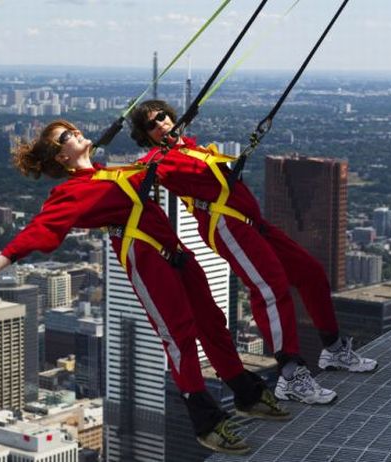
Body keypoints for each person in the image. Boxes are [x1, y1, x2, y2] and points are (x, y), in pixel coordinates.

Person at [0, 120, 290, 455]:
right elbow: (41, 227)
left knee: (212, 323)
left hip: (178, 256)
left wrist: (176, 139)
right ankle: (206, 422)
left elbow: (162, 165)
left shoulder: (115, 174)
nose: (76, 133)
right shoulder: (71, 191)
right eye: (66, 136)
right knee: (179, 336)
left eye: (73, 129)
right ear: (60, 157)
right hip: (148, 261)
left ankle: (246, 395)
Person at [129, 100, 377, 406]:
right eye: (151, 125)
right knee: (269, 287)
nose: (160, 125)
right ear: (146, 136)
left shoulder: (194, 148)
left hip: (252, 223)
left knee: (309, 271)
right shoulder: (158, 160)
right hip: (226, 226)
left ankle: (334, 349)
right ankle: (291, 374)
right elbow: (139, 175)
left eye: (162, 118)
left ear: (173, 117)